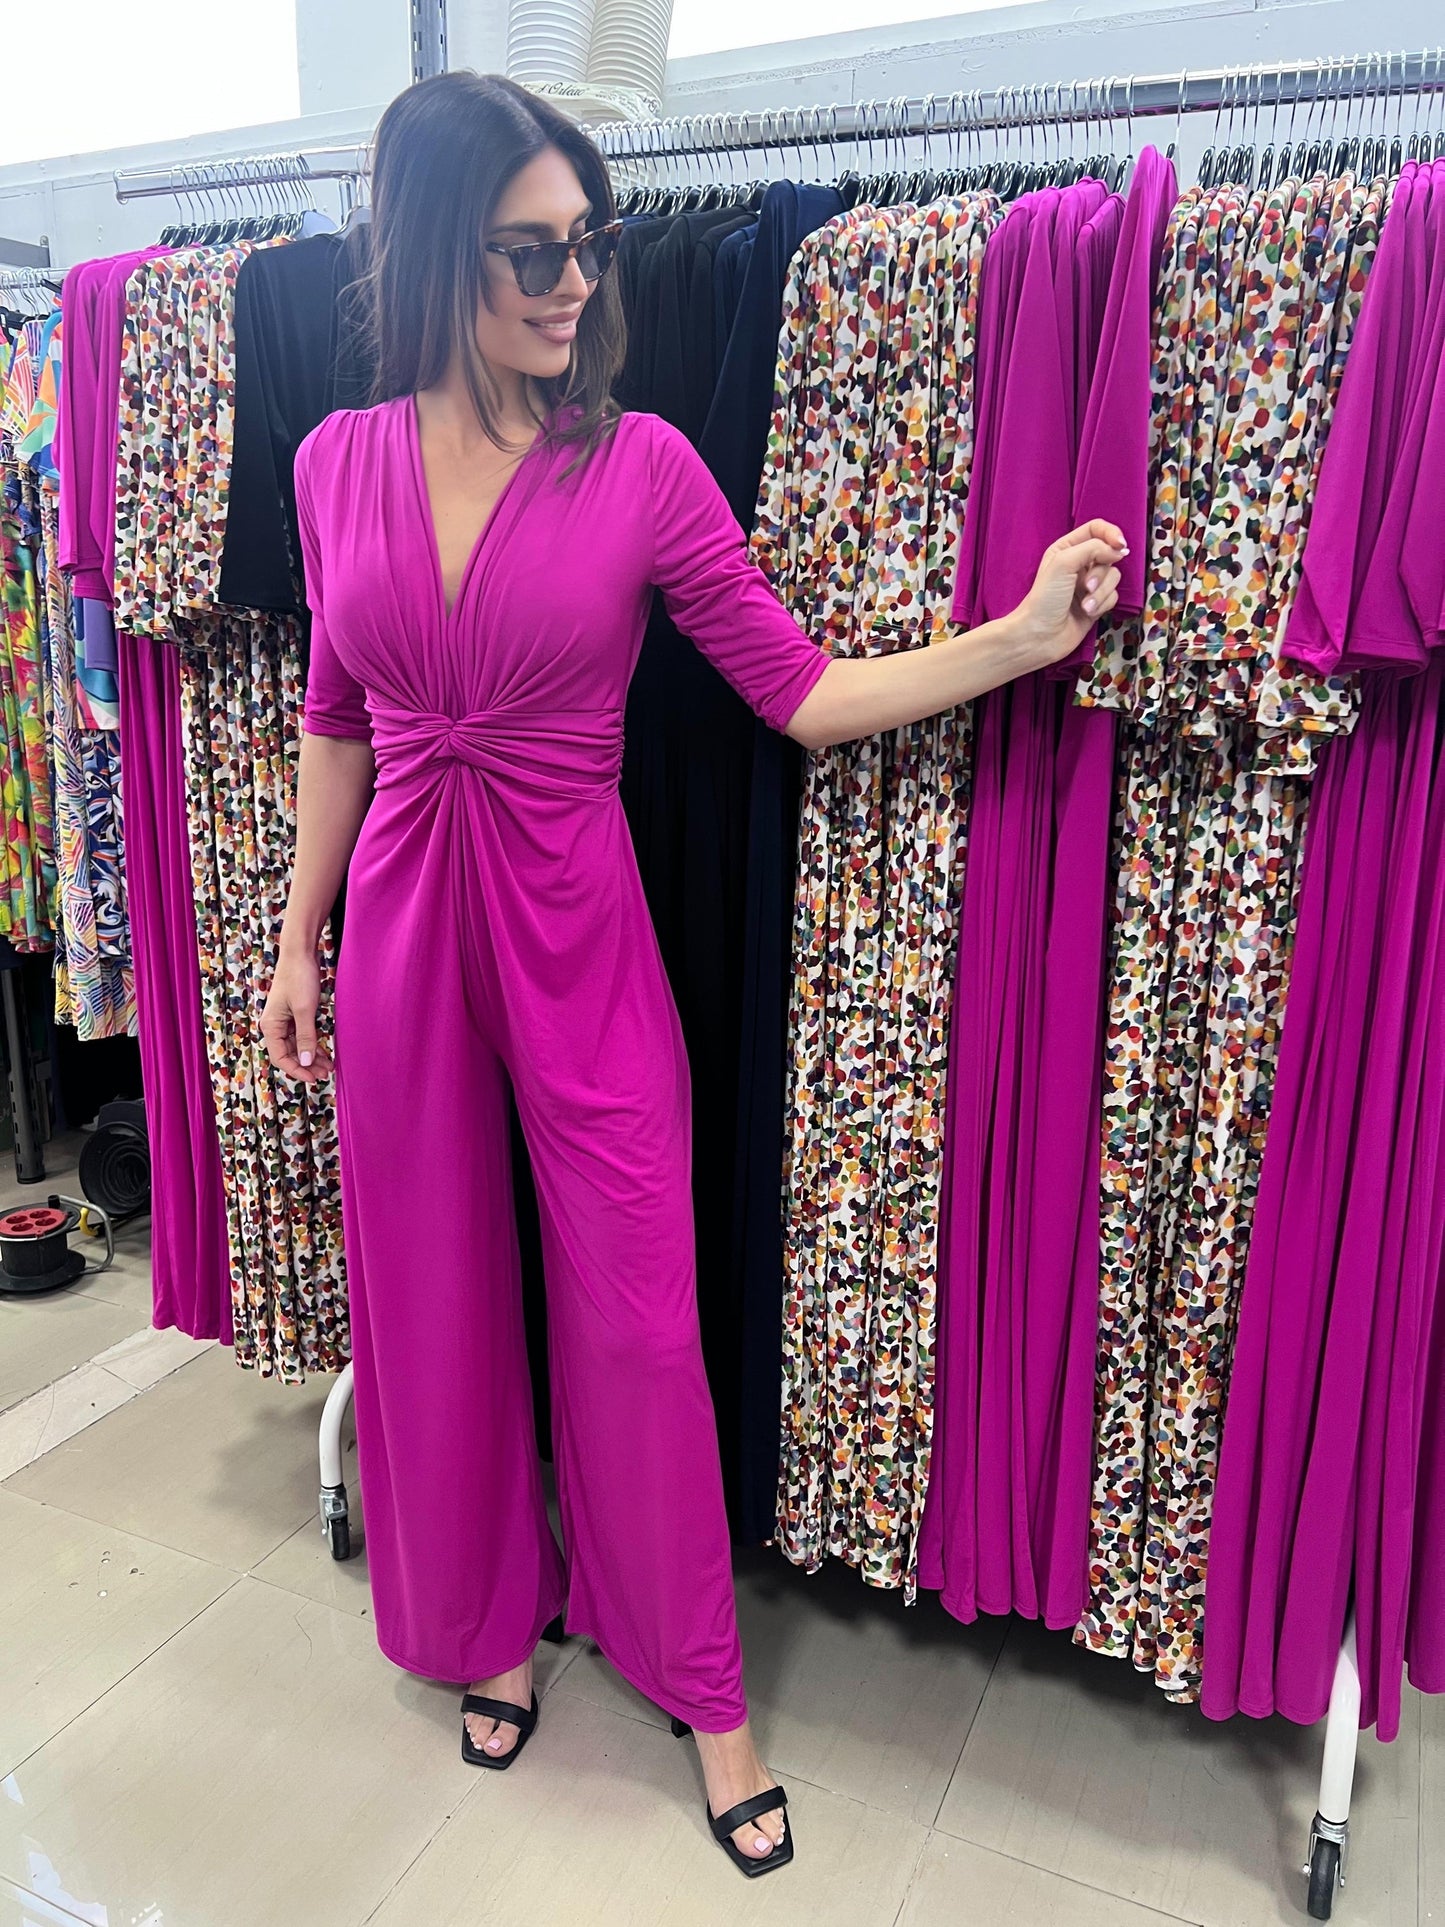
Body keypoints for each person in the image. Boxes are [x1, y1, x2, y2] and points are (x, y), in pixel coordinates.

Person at [261, 69, 1123, 1879]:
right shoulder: (330, 464)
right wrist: (292, 932)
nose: (575, 285)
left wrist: (1021, 639)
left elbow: (800, 692)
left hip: (578, 924)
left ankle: (698, 1685)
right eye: (529, 253)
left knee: (640, 1314)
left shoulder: (638, 467)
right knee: (428, 1299)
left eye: (587, 244)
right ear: (433, 256)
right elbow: (335, 720)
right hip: (406, 934)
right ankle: (489, 1620)